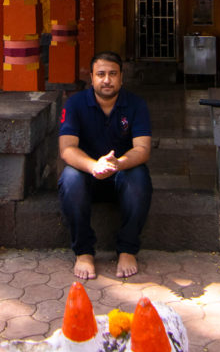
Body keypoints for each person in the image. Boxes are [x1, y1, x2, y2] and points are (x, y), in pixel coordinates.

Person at [58, 51, 153, 279]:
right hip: (88, 176)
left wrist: (118, 163)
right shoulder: (75, 103)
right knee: (70, 178)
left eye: (113, 74)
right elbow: (67, 148)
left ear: (122, 77)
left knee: (139, 176)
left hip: (122, 174)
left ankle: (128, 249)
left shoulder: (136, 105)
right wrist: (94, 167)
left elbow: (142, 149)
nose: (107, 80)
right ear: (91, 78)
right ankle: (84, 252)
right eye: (100, 74)